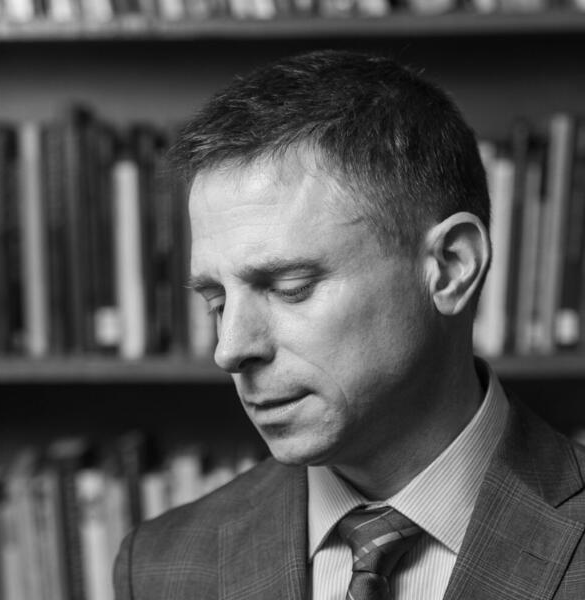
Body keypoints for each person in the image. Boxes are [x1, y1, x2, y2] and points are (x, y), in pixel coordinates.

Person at [113, 50, 585, 600]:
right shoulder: (159, 567)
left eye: (290, 289)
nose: (230, 348)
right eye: (217, 302)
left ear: (451, 269)